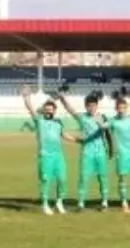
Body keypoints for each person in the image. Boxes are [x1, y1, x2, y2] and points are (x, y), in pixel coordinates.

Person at [22, 86, 76, 215]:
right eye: (46, 110)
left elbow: (64, 135)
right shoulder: (39, 121)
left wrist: (78, 140)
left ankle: (59, 203)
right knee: (45, 180)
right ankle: (45, 204)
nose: (48, 112)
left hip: (58, 156)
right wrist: (26, 97)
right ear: (44, 111)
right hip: (45, 156)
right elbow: (30, 108)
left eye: (51, 110)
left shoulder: (58, 122)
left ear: (54, 111)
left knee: (62, 179)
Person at [57, 91, 111, 211]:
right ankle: (81, 203)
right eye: (89, 105)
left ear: (97, 106)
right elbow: (71, 110)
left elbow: (107, 129)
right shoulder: (83, 118)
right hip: (87, 152)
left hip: (100, 152)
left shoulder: (102, 117)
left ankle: (105, 202)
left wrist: (103, 126)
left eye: (93, 105)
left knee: (102, 177)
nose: (91, 107)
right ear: (86, 106)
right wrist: (62, 99)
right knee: (83, 177)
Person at [105, 96, 130, 212]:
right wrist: (99, 123)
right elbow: (104, 127)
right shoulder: (113, 121)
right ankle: (124, 202)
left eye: (123, 107)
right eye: (119, 108)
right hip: (122, 154)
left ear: (126, 108)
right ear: (116, 109)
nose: (121, 110)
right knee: (123, 178)